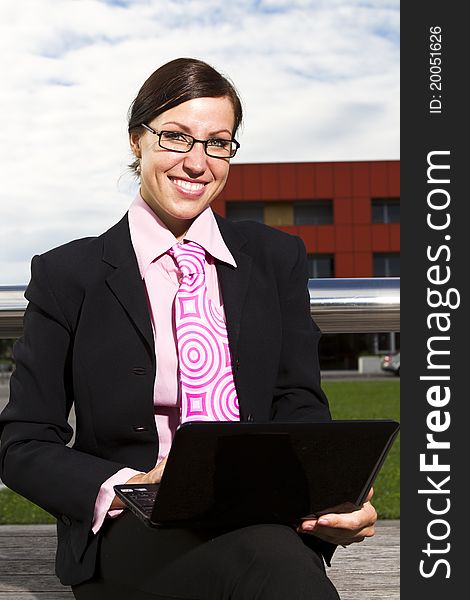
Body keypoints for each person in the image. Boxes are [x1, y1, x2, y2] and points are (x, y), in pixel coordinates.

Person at [0, 57, 376, 599]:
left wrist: (337, 494)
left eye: (218, 142)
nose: (197, 162)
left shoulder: (276, 259)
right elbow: (24, 444)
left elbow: (299, 406)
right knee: (271, 564)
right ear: (137, 141)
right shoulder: (68, 274)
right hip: (132, 528)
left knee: (269, 554)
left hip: (262, 517)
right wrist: (127, 486)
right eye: (176, 137)